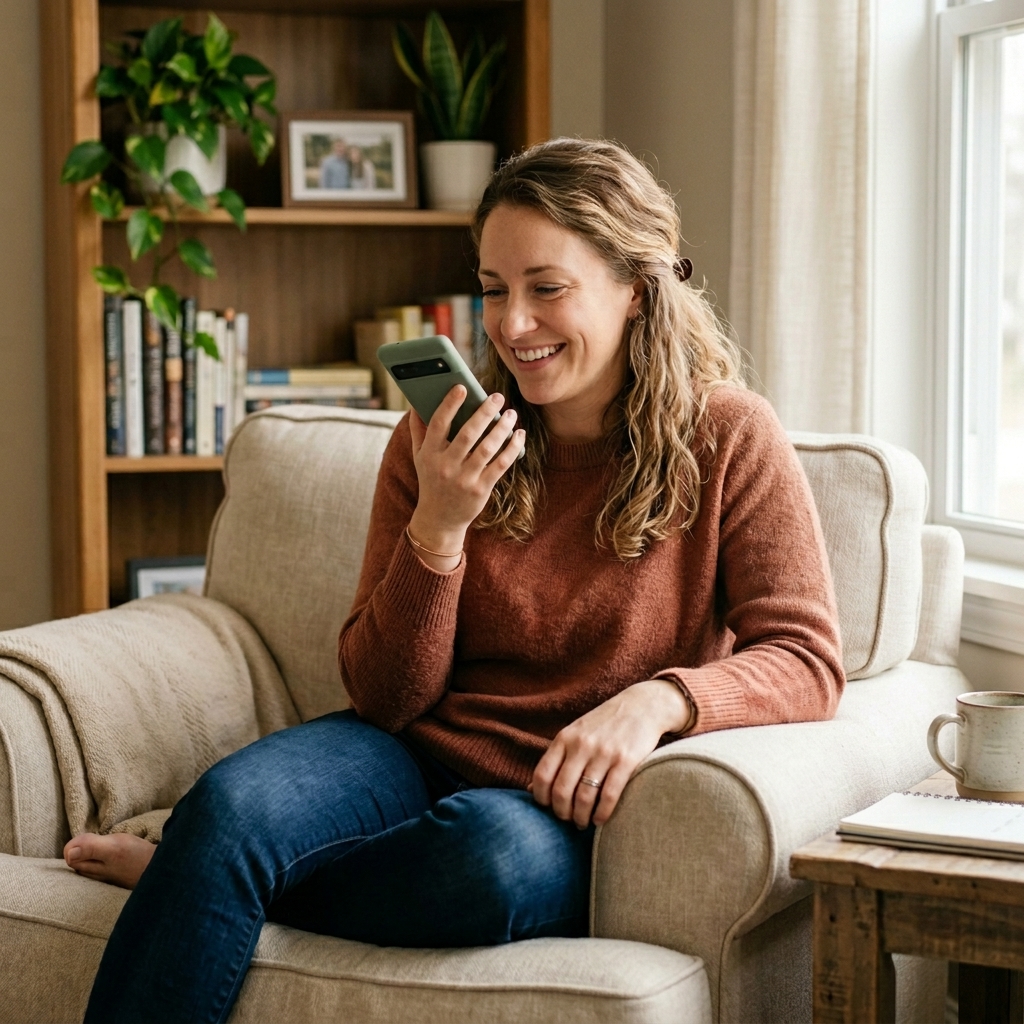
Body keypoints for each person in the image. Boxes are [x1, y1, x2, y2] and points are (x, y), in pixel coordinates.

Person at [67, 138, 844, 1024]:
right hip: (413, 750)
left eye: (546, 288)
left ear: (635, 287)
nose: (513, 325)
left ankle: (197, 877)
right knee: (231, 803)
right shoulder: (440, 438)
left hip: (555, 802)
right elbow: (386, 695)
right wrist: (439, 526)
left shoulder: (730, 437)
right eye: (494, 288)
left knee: (487, 866)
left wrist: (660, 702)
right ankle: (210, 863)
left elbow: (808, 658)